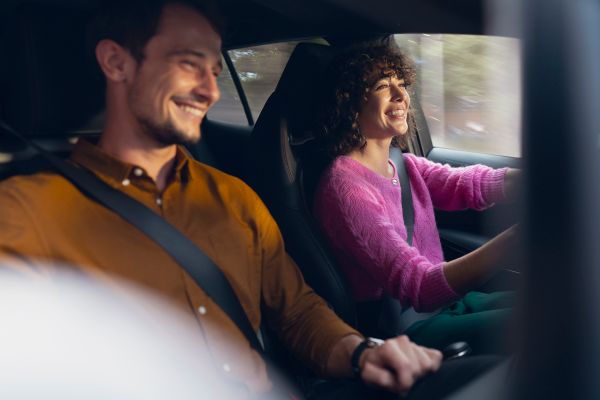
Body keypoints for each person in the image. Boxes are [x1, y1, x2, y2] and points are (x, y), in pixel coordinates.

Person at [0, 1, 500, 399]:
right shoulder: (26, 212)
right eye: (189, 63)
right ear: (116, 61)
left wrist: (361, 353)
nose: (209, 90)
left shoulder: (233, 199)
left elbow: (298, 312)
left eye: (215, 70)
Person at [314, 43, 520, 355]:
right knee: (546, 320)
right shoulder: (346, 189)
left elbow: (467, 183)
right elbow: (420, 287)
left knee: (558, 297)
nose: (401, 95)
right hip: (406, 329)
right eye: (383, 85)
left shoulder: (402, 163)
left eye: (401, 82)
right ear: (350, 103)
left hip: (448, 304)